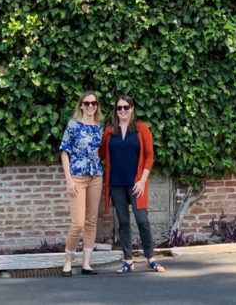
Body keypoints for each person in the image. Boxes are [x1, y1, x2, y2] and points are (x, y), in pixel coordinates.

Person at [100, 95, 165, 273]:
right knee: (123, 222)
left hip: (136, 183)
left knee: (142, 220)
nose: (122, 111)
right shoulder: (109, 131)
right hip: (116, 183)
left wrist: (143, 180)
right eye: (119, 108)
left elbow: (150, 156)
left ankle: (151, 258)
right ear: (116, 110)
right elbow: (101, 154)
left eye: (126, 107)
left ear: (132, 109)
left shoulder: (141, 128)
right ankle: (128, 260)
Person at [59, 91, 104, 276]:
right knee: (77, 223)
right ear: (81, 105)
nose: (90, 106)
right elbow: (64, 152)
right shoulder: (73, 125)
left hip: (96, 177)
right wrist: (68, 179)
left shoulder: (100, 128)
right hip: (77, 177)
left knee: (91, 221)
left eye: (93, 103)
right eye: (87, 103)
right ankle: (68, 261)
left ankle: (86, 263)